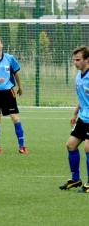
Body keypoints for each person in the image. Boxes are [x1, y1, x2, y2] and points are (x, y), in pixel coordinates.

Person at [59, 45, 89, 193]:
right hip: (83, 118)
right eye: (74, 60)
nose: (75, 63)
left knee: (88, 147)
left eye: (78, 60)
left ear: (87, 60)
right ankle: (76, 179)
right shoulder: (79, 76)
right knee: (70, 145)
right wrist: (74, 113)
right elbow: (82, 98)